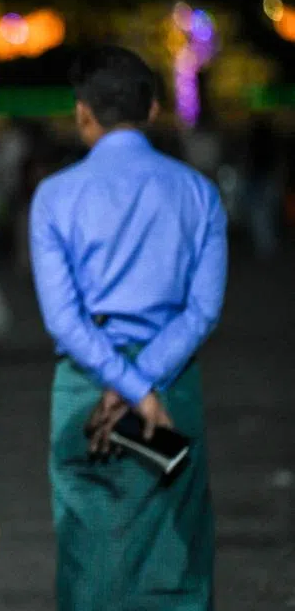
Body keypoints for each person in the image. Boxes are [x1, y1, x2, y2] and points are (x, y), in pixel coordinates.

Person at [29, 46, 226, 611]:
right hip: (170, 383)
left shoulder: (54, 196)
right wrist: (143, 384)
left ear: (82, 112)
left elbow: (63, 319)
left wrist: (122, 384)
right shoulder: (198, 192)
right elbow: (203, 310)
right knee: (175, 547)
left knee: (88, 551)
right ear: (154, 109)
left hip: (86, 385)